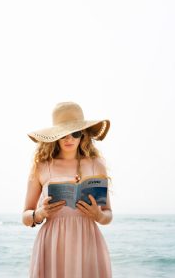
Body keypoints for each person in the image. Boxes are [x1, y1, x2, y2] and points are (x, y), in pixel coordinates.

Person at [22, 101, 113, 278]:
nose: (69, 139)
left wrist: (98, 215)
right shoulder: (41, 167)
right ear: (56, 136)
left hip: (87, 241)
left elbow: (108, 213)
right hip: (52, 242)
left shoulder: (97, 165)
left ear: (83, 135)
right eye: (63, 134)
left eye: (75, 133)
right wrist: (39, 214)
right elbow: (26, 215)